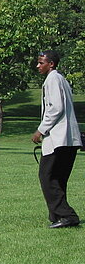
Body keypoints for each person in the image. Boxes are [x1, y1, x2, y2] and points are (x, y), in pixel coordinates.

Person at [31, 50, 82, 228]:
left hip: (58, 139)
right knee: (58, 179)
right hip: (70, 139)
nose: (38, 66)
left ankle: (67, 215)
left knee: (47, 176)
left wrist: (40, 131)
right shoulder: (62, 80)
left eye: (41, 62)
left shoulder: (52, 79)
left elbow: (55, 108)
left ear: (51, 64)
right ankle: (57, 216)